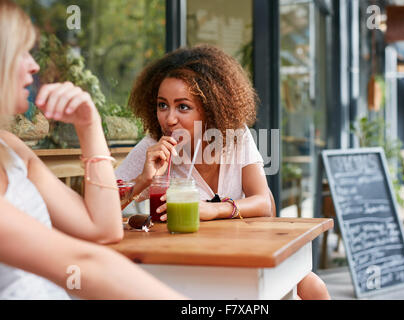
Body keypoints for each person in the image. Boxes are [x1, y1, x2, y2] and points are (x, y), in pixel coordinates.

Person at [0, 0, 185, 300]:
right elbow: (87, 263)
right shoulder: (149, 147)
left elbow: (103, 228)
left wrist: (89, 125)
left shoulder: (12, 149)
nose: (34, 65)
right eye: (20, 53)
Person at [116, 45, 331, 300]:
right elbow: (103, 207)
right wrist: (143, 180)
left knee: (315, 289)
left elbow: (265, 204)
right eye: (163, 105)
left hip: (242, 251)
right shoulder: (153, 147)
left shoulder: (235, 139)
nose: (169, 118)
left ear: (210, 108)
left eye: (183, 107)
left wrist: (211, 209)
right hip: (179, 261)